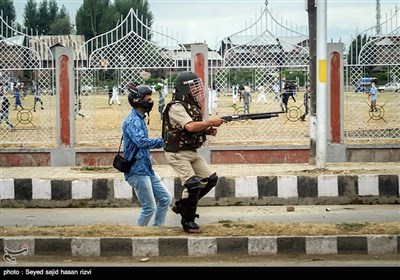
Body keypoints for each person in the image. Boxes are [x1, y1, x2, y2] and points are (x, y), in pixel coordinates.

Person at [162, 71, 226, 234]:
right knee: (193, 185)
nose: (197, 90)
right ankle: (187, 221)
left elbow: (191, 129)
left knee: (210, 180)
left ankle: (183, 205)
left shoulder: (191, 105)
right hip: (177, 154)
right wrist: (211, 122)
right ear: (184, 89)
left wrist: (207, 131)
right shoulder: (176, 107)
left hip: (190, 151)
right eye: (193, 86)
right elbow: (190, 126)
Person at [123, 83, 171, 227]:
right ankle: (137, 235)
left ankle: (157, 229)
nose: (151, 101)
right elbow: (141, 142)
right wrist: (164, 141)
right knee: (149, 207)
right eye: (148, 99)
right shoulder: (132, 121)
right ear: (138, 100)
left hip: (147, 169)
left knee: (165, 199)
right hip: (136, 170)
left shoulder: (141, 118)